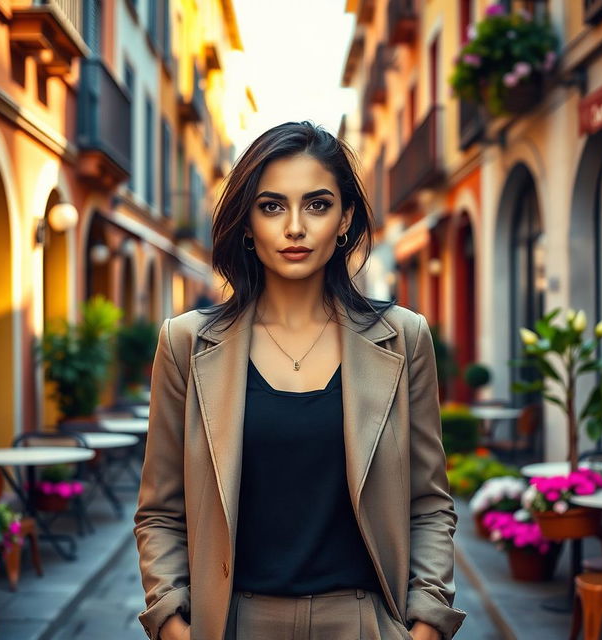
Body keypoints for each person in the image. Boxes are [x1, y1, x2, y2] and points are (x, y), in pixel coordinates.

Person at [133, 121, 467, 640]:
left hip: (364, 623)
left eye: (316, 205)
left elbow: (429, 503)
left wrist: (425, 625)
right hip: (234, 623)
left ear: (344, 219)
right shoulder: (186, 344)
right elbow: (159, 512)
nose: (294, 227)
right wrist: (173, 623)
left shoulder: (402, 338)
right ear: (247, 223)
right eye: (271, 206)